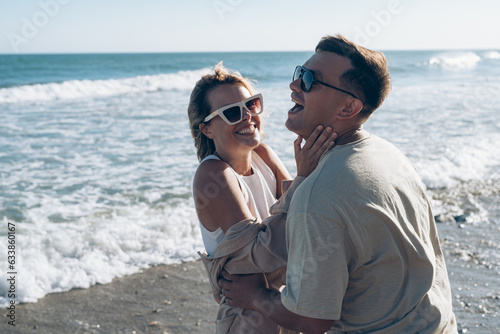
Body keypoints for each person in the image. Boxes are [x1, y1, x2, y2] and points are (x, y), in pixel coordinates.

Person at [219, 35, 458, 333]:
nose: (294, 85)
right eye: (298, 73)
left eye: (309, 80)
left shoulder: (317, 197)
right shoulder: (387, 153)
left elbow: (312, 320)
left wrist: (256, 296)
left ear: (348, 108)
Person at [188, 63, 336, 333]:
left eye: (251, 104)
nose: (247, 116)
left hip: (286, 303)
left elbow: (303, 219)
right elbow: (262, 252)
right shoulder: (212, 174)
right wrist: (303, 176)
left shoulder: (264, 155)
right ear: (207, 129)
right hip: (248, 320)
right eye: (232, 112)